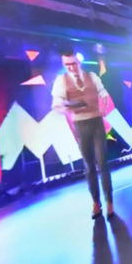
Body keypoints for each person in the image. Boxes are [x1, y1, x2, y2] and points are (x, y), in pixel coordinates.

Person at [52, 48, 113, 219]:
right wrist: (62, 106)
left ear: (78, 62)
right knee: (89, 167)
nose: (70, 67)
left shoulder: (92, 76)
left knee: (103, 164)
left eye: (72, 64)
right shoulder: (61, 80)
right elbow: (57, 101)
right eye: (66, 65)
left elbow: (103, 92)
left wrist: (104, 101)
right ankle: (96, 203)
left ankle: (109, 202)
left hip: (97, 122)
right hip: (80, 124)